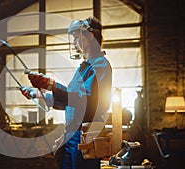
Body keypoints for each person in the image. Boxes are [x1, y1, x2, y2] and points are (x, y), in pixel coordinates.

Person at [20, 17, 112, 169]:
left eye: (77, 37)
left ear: (90, 36)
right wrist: (37, 94)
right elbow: (70, 101)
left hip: (85, 134)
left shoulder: (100, 65)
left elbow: (86, 102)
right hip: (70, 134)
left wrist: (51, 84)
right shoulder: (83, 68)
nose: (74, 42)